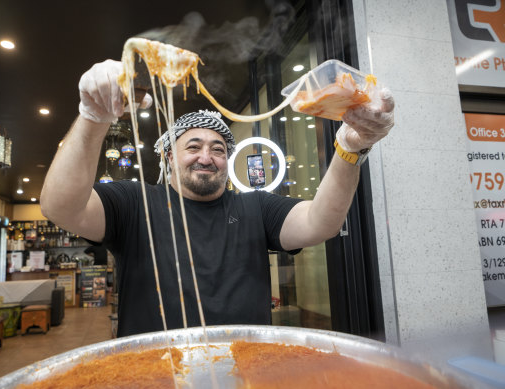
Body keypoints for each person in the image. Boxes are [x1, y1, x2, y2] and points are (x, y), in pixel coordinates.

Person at [40, 59, 394, 337]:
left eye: (218, 149)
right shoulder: (135, 203)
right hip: (155, 374)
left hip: (246, 370)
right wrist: (94, 116)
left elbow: (321, 223)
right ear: (167, 157)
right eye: (192, 147)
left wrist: (349, 148)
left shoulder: (256, 206)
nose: (206, 157)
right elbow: (61, 207)